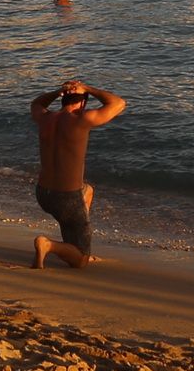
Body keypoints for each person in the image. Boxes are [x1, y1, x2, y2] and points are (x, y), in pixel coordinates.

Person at [27, 78, 127, 270]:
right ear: (82, 103)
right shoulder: (82, 120)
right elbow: (118, 103)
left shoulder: (45, 118)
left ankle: (71, 244)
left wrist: (58, 91)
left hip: (43, 194)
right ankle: (49, 245)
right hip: (66, 199)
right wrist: (87, 87)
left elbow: (36, 103)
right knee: (81, 261)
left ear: (63, 100)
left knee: (87, 191)